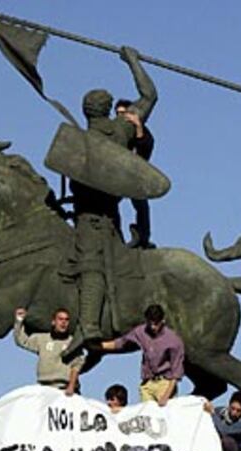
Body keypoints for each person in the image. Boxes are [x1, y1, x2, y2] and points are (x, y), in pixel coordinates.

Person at [65, 45, 159, 357]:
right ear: (107, 109)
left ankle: (89, 326)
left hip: (92, 220)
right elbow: (150, 97)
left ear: (85, 111)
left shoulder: (78, 140)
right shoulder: (120, 130)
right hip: (109, 215)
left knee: (90, 265)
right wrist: (132, 60)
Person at [100, 304, 184, 406]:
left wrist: (166, 396)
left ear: (163, 321)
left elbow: (176, 372)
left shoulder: (173, 340)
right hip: (147, 383)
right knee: (147, 417)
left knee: (165, 417)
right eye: (150, 323)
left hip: (165, 383)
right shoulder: (141, 331)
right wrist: (100, 346)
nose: (153, 327)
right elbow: (121, 342)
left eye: (156, 324)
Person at [14, 307, 85, 395]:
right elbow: (21, 341)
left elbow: (77, 365)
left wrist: (71, 386)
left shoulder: (73, 342)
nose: (63, 322)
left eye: (66, 320)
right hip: (43, 388)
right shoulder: (42, 339)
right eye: (60, 319)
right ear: (53, 322)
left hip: (64, 388)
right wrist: (19, 320)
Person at [115, 99, 155, 248]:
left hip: (133, 175)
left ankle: (143, 237)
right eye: (117, 113)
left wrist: (138, 127)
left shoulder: (143, 132)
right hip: (116, 175)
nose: (120, 117)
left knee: (140, 203)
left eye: (123, 113)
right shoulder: (116, 132)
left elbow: (143, 151)